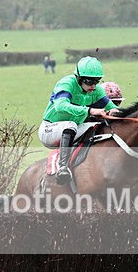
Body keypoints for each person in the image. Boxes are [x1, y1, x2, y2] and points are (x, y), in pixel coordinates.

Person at [38, 56, 118, 184]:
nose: (93, 86)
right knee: (71, 125)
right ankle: (63, 167)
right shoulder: (67, 83)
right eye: (89, 82)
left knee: (98, 126)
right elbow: (60, 106)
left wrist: (116, 112)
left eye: (96, 81)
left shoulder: (96, 90)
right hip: (49, 130)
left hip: (72, 128)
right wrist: (89, 110)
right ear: (79, 78)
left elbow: (112, 107)